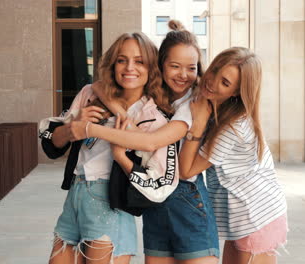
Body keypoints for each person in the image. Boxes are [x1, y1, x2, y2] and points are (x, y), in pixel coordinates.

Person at [73, 20, 220, 264]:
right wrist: (113, 106)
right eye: (174, 66)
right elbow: (101, 87)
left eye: (191, 68)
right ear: (160, 66)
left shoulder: (194, 103)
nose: (183, 75)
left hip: (186, 200)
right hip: (153, 200)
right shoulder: (158, 96)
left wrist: (90, 129)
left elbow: (150, 143)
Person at [42, 31, 173, 264]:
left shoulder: (154, 116)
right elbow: (52, 143)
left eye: (139, 61)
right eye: (122, 60)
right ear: (113, 64)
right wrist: (74, 124)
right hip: (75, 196)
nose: (129, 67)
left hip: (110, 203)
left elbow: (159, 182)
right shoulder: (90, 94)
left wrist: (121, 155)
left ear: (151, 67)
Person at [179, 47, 288, 264]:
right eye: (216, 70)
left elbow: (186, 170)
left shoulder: (234, 127)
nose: (212, 82)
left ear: (237, 92)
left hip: (257, 216)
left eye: (225, 83)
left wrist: (198, 126)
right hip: (241, 219)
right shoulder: (219, 107)